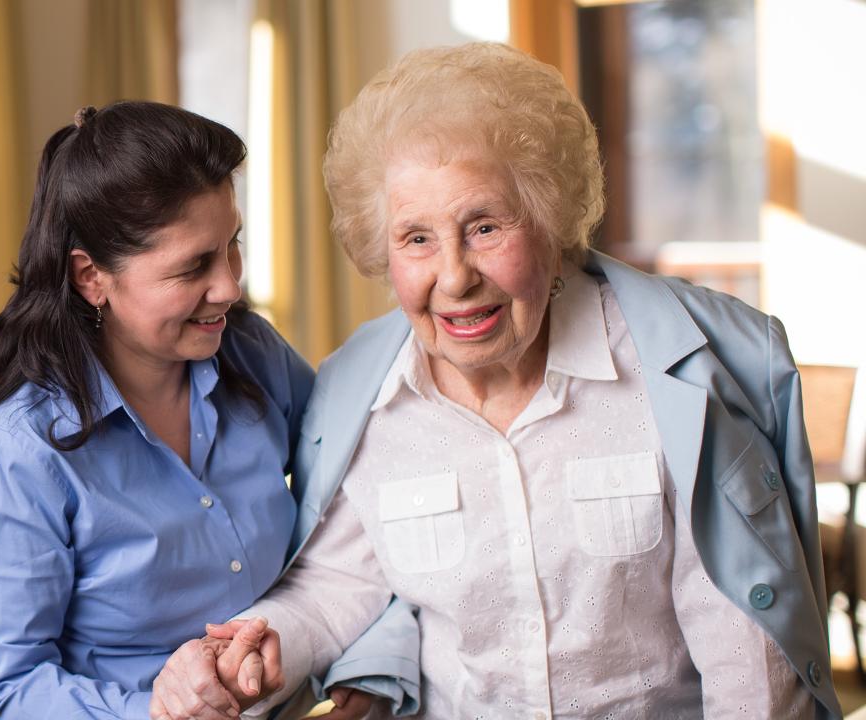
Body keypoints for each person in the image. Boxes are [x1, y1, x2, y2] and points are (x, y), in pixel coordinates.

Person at [154, 42, 841, 718]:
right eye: (416, 238)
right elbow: (339, 581)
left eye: (485, 227)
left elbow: (748, 661)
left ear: (549, 221)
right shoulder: (362, 398)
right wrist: (260, 644)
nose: (454, 278)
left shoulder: (667, 386)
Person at [0, 101, 419, 720]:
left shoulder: (252, 354)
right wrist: (154, 711)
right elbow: (2, 698)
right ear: (91, 278)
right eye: (193, 266)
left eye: (232, 247)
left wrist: (366, 668)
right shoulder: (13, 452)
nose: (230, 287)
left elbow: (367, 498)